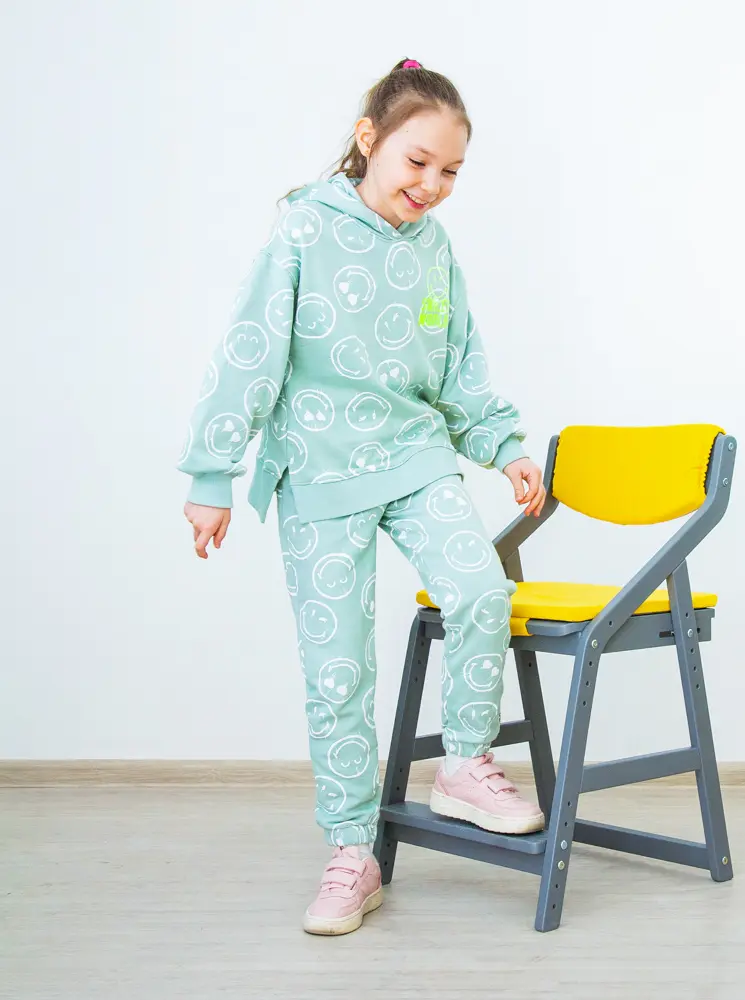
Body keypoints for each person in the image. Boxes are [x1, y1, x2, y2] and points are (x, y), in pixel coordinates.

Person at [177, 58, 548, 936]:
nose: (433, 184)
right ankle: (354, 854)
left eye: (451, 171)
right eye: (418, 161)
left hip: (415, 457)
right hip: (318, 472)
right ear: (368, 138)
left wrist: (501, 445)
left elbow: (457, 361)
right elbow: (252, 348)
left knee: (481, 589)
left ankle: (462, 764)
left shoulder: (434, 248)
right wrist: (212, 472)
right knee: (339, 673)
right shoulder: (305, 228)